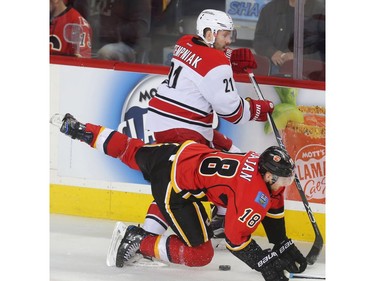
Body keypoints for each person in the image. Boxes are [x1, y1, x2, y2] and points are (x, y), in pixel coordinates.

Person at [53, 112, 307, 281]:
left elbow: (273, 206)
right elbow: (235, 240)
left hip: (179, 152)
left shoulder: (258, 163)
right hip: (174, 187)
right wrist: (263, 263)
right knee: (200, 255)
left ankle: (81, 130)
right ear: (267, 174)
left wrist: (281, 242)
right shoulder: (251, 192)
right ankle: (137, 239)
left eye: (287, 179)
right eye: (282, 180)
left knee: (130, 149)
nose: (284, 185)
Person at [143, 9, 274, 237]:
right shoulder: (216, 63)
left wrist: (231, 57)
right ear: (209, 34)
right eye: (225, 35)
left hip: (164, 120)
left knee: (231, 154)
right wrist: (259, 109)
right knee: (185, 182)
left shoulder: (185, 42)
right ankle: (147, 234)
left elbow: (204, 60)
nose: (229, 40)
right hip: (184, 127)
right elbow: (232, 112)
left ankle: (220, 219)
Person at [253, 0, 325, 75]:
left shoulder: (320, 10)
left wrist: (298, 57)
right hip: (273, 68)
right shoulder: (270, 8)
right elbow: (259, 38)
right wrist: (272, 52)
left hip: (306, 71)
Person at [82, 0, 152, 62]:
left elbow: (141, 27)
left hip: (127, 45)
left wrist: (111, 31)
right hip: (93, 42)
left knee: (106, 52)